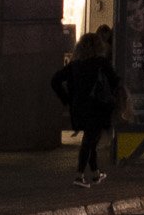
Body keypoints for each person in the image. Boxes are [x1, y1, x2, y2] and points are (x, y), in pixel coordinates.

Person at [50, 28, 122, 186]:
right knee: (89, 141)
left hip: (78, 108)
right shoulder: (101, 63)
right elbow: (115, 81)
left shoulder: (75, 65)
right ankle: (79, 175)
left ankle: (96, 173)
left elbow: (55, 80)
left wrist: (67, 99)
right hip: (97, 107)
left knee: (91, 139)